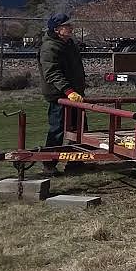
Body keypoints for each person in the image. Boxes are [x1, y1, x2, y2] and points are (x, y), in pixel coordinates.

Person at [38, 13, 86, 174]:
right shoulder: (50, 47)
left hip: (74, 94)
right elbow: (52, 73)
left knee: (79, 128)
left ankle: (76, 162)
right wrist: (68, 91)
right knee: (57, 129)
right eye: (67, 26)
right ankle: (49, 164)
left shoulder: (69, 43)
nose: (71, 28)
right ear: (57, 29)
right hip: (59, 96)